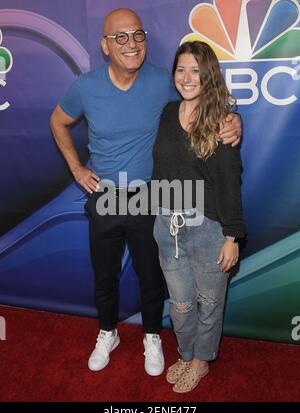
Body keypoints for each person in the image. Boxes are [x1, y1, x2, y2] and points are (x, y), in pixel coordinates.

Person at [50, 8, 242, 376]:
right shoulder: (85, 86)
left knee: (151, 277)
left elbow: (206, 95)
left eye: (137, 35)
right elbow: (57, 120)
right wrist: (77, 168)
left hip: (148, 197)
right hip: (104, 196)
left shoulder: (162, 81)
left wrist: (235, 121)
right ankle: (108, 332)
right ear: (105, 46)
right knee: (104, 276)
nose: (131, 43)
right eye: (120, 37)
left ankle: (152, 335)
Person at [152, 41, 246, 392]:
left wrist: (232, 237)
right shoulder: (166, 113)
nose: (187, 77)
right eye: (181, 69)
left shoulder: (223, 121)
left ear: (208, 75)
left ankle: (201, 361)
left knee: (209, 303)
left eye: (195, 70)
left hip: (208, 228)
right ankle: (187, 352)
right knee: (179, 303)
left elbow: (229, 183)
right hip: (167, 225)